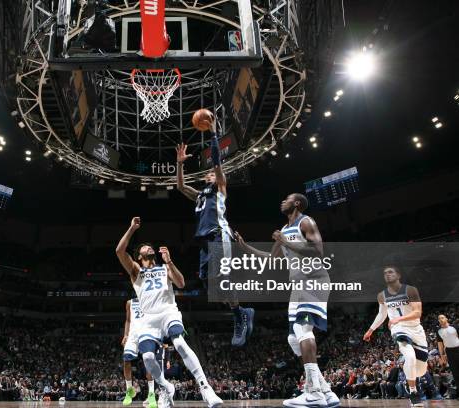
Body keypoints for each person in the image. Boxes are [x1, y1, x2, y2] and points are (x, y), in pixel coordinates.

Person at [236, 193, 339, 408]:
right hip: (298, 286)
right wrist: (245, 248)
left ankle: (313, 393)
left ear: (297, 203)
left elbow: (318, 251)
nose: (282, 201)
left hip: (314, 279)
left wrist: (286, 243)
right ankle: (326, 391)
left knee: (303, 330)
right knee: (294, 339)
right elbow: (272, 259)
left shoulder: (306, 221)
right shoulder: (283, 230)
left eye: (287, 199)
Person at [116, 217, 223, 408]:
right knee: (148, 357)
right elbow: (119, 251)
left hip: (168, 312)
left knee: (180, 343)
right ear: (139, 256)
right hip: (148, 319)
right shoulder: (136, 271)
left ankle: (206, 388)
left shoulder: (165, 267)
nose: (149, 248)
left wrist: (170, 261)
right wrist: (132, 228)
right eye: (144, 248)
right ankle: (166, 387)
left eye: (150, 247)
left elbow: (181, 283)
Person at [175, 114, 253, 347]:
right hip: (203, 240)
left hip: (219, 233)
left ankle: (240, 315)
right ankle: (240, 311)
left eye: (211, 173)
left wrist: (213, 134)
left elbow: (217, 163)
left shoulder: (220, 188)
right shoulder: (200, 194)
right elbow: (179, 186)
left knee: (222, 278)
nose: (208, 174)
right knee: (208, 283)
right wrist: (180, 163)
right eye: (207, 174)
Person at [363, 266, 428, 407]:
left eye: (390, 272)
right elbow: (382, 314)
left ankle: (408, 377)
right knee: (409, 356)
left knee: (421, 370)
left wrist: (399, 319)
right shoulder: (382, 295)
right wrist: (370, 330)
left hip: (416, 329)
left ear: (398, 275)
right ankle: (413, 391)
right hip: (398, 329)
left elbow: (417, 313)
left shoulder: (410, 290)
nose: (387, 274)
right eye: (385, 273)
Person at [122, 297, 157, 408]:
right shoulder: (129, 302)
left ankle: (151, 394)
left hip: (146, 333)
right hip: (132, 335)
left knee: (149, 363)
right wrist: (125, 335)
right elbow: (128, 320)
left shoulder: (151, 299)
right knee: (126, 360)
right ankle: (129, 390)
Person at [437, 314, 459, 398]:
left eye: (442, 318)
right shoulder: (438, 331)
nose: (441, 319)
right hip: (449, 352)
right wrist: (442, 355)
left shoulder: (454, 327)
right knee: (455, 373)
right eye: (439, 319)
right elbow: (440, 344)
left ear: (446, 318)